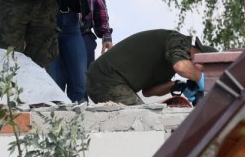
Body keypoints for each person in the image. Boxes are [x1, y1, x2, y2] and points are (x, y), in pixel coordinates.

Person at [86, 29, 215, 106]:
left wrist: (177, 85)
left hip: (106, 80)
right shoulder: (178, 40)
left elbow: (149, 92)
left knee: (143, 121)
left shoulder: (171, 61)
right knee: (143, 120)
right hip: (106, 78)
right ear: (200, 56)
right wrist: (203, 81)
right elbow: (181, 66)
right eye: (204, 70)